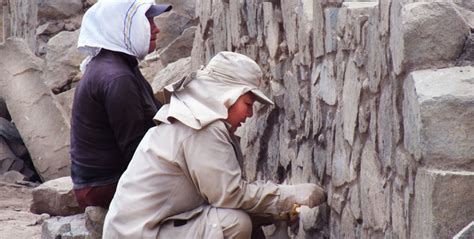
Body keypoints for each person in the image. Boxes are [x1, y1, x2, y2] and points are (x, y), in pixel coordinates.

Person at [103, 51, 326, 238]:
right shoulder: (202, 128)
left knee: (240, 216)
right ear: (227, 95)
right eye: (247, 103)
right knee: (233, 223)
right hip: (141, 233)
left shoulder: (197, 119)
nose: (249, 113)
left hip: (139, 230)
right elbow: (230, 195)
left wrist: (273, 209)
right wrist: (290, 196)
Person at [70, 0, 172, 209]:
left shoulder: (118, 65)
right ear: (122, 26)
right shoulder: (117, 78)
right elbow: (135, 150)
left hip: (102, 180)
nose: (156, 28)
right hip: (103, 185)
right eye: (147, 21)